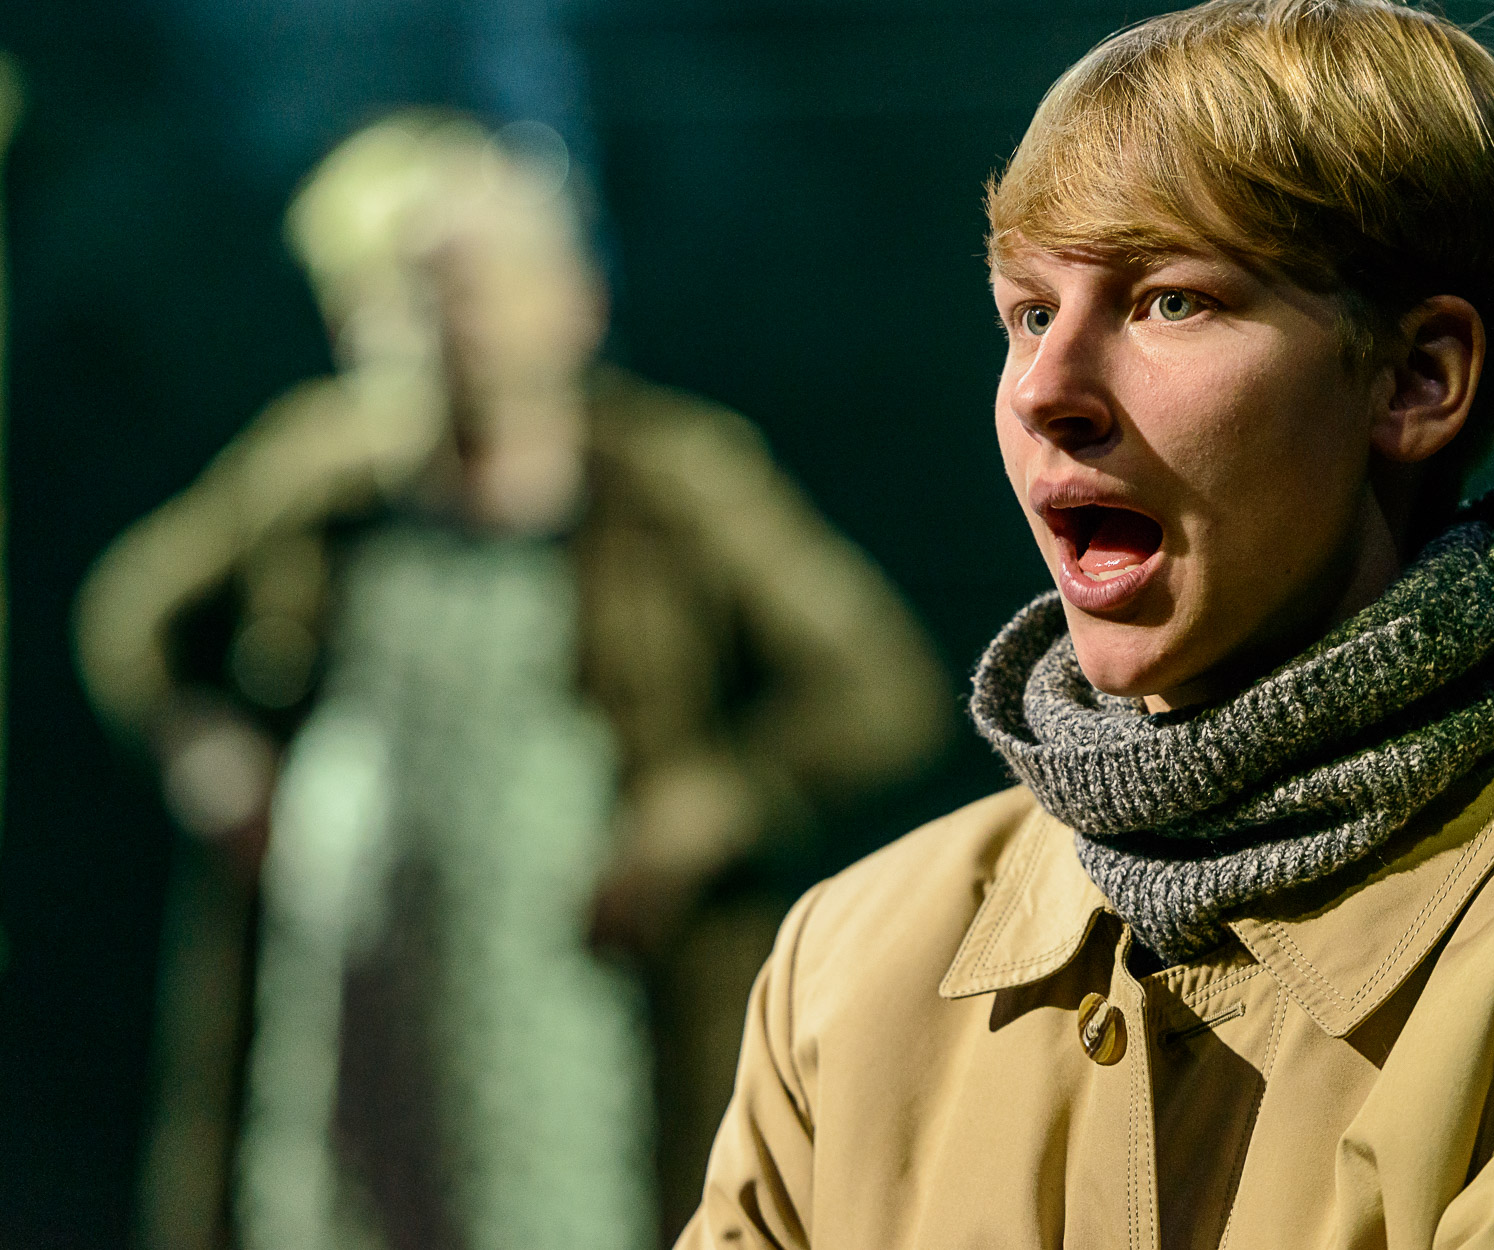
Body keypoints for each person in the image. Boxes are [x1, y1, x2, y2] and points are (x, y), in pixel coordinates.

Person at [677, 2, 1494, 1247]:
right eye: (1028, 311)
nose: (1045, 390)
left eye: (1169, 300)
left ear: (1416, 378)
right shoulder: (842, 964)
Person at [74, 112, 951, 1250]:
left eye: (483, 288)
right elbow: (130, 621)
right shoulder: (320, 476)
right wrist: (211, 754)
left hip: (575, 1009)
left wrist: (710, 806)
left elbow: (876, 688)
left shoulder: (669, 482)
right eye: (421, 294)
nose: (454, 328)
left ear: (571, 302)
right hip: (346, 1009)